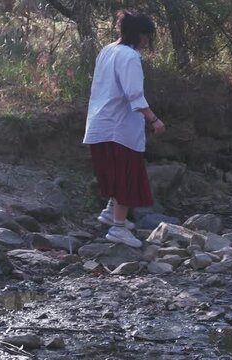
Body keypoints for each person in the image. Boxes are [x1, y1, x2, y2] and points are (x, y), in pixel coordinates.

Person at [83, 10, 165, 248]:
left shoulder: (107, 50)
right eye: (147, 36)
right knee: (126, 174)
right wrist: (154, 119)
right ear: (138, 34)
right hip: (119, 127)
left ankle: (111, 212)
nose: (148, 41)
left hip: (100, 123)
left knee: (114, 171)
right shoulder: (130, 56)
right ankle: (118, 228)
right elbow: (134, 95)